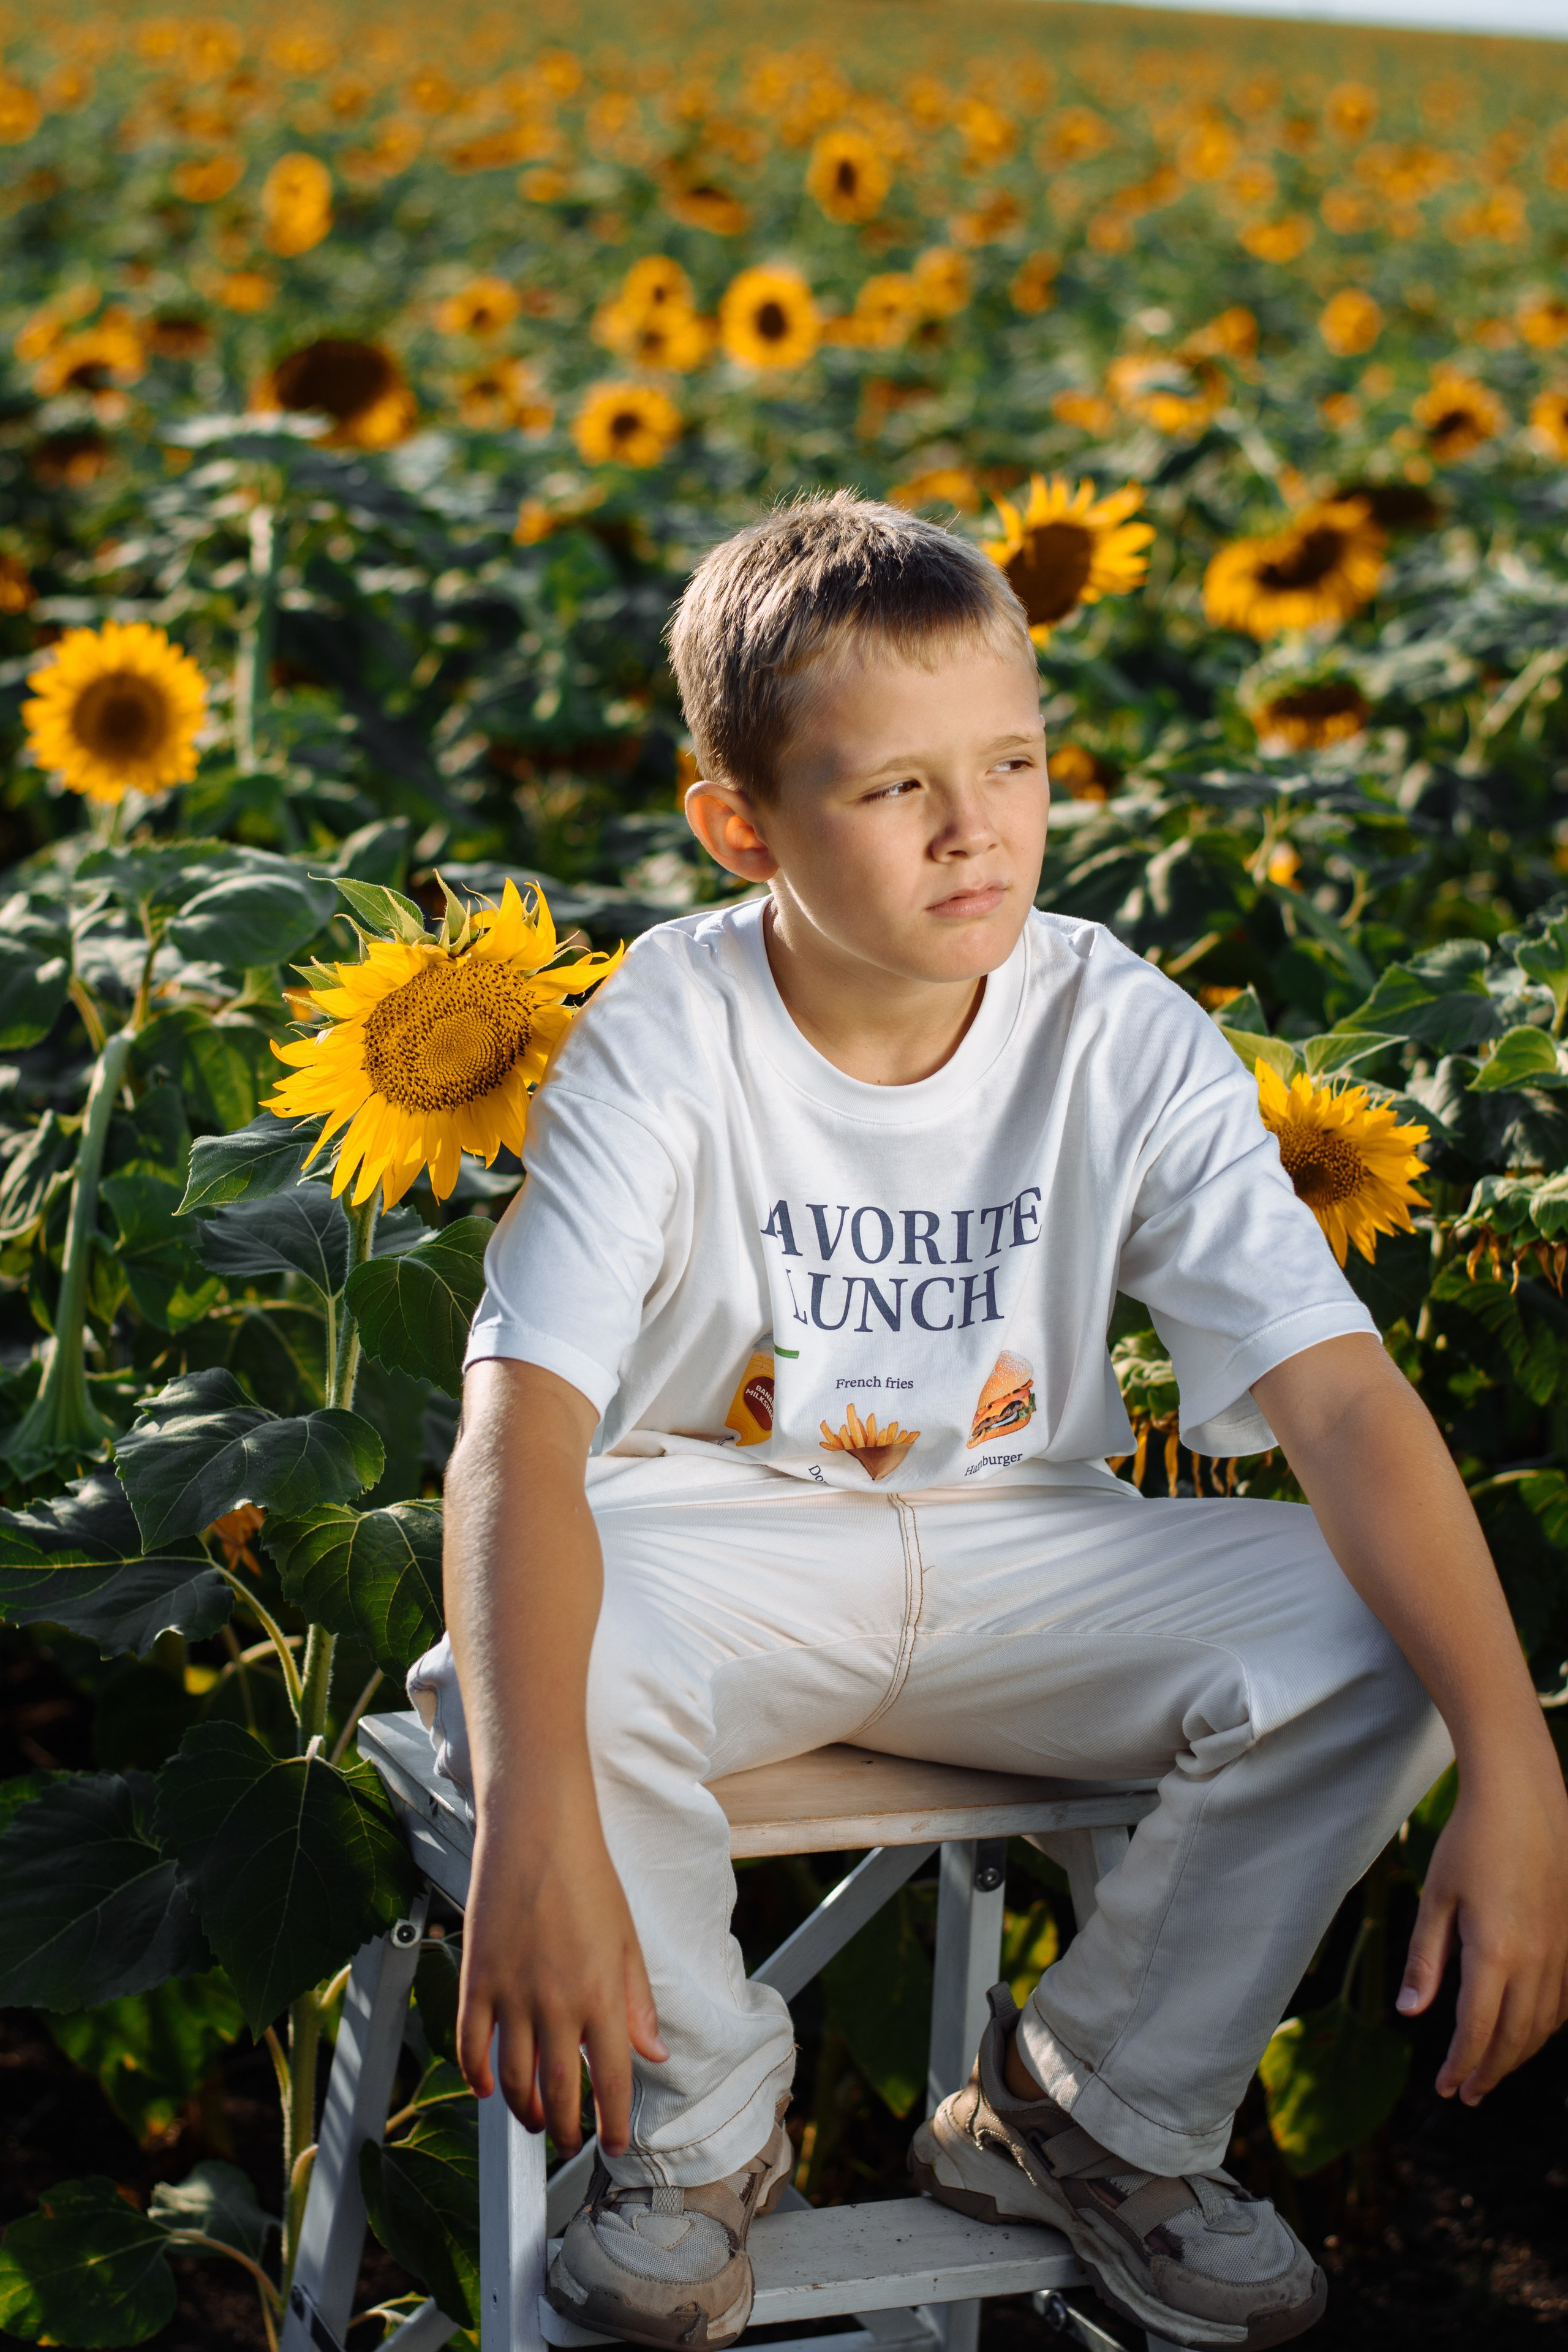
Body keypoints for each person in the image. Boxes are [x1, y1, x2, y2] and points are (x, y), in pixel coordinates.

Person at [408, 492, 1568, 2352]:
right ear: (740, 824)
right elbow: (522, 1420)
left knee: (1391, 1630)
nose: (979, 830)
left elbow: (1340, 1395)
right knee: (533, 1655)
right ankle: (696, 2133)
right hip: (720, 1538)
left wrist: (1520, 1765)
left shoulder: (1117, 1024)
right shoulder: (667, 1023)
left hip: (1029, 1538)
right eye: (893, 790)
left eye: (1014, 761)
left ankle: (1092, 2114)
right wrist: (535, 1810)